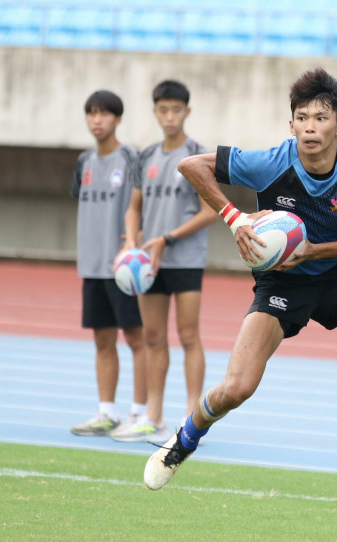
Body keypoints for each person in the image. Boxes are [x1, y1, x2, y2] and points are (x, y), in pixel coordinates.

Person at [144, 68, 337, 490]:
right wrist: (235, 220)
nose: (310, 127)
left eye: (321, 118)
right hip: (279, 289)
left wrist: (312, 251)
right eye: (302, 118)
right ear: (291, 126)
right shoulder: (271, 162)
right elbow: (191, 165)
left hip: (333, 282)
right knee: (235, 389)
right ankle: (183, 441)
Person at [110, 80, 218, 444]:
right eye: (163, 110)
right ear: (155, 112)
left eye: (176, 110)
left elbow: (210, 211)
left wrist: (168, 238)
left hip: (184, 259)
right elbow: (133, 208)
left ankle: (192, 420)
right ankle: (153, 416)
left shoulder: (198, 155)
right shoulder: (146, 156)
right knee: (153, 337)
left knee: (189, 336)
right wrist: (130, 239)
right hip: (147, 265)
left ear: (186, 112)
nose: (170, 116)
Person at [69, 90, 147, 437]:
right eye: (91, 113)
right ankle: (106, 412)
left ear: (117, 118)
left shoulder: (131, 158)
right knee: (103, 341)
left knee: (136, 338)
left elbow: (144, 203)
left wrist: (137, 236)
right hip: (92, 264)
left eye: (103, 114)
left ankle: (141, 412)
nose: (96, 120)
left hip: (123, 267)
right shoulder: (84, 161)